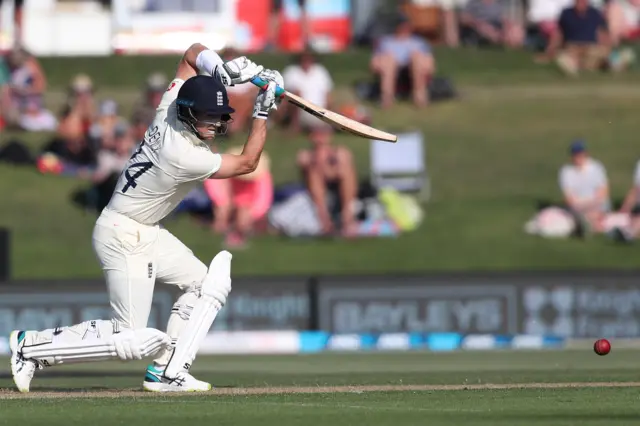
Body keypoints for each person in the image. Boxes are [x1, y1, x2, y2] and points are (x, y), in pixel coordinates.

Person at [9, 42, 282, 393]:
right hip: (123, 234)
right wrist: (262, 113)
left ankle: (168, 371)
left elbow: (190, 54)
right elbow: (247, 163)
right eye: (207, 116)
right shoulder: (182, 155)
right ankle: (30, 346)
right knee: (129, 338)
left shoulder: (168, 108)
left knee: (204, 285)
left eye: (218, 116)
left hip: (145, 229)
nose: (214, 123)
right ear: (188, 113)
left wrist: (220, 70)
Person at [205, 145, 273, 248]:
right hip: (230, 203)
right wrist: (224, 204)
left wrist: (252, 214)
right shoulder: (227, 174)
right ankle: (226, 231)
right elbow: (217, 187)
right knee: (221, 213)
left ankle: (239, 234)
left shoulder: (262, 178)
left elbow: (263, 200)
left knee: (244, 216)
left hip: (249, 206)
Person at [296, 125, 358, 236]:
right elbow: (307, 171)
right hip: (317, 193)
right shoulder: (306, 155)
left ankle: (347, 215)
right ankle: (324, 218)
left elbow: (337, 173)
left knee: (345, 170)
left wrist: (328, 166)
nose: (320, 137)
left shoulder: (339, 152)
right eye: (317, 134)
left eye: (323, 133)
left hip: (338, 188)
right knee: (314, 172)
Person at [370, 15, 435, 108]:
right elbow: (374, 63)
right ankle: (386, 98)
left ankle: (420, 97)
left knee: (416, 57)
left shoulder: (418, 42)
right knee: (389, 59)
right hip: (391, 69)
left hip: (414, 68)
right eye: (402, 26)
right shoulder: (386, 41)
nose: (404, 29)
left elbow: (430, 63)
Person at [537, 0, 612, 75]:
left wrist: (606, 48)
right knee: (562, 56)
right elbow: (559, 33)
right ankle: (579, 66)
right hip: (572, 48)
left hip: (591, 47)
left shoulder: (595, 13)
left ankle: (583, 66)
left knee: (598, 54)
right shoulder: (566, 13)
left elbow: (602, 33)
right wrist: (550, 50)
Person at [558, 140, 610, 234]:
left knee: (595, 214)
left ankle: (586, 225)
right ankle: (587, 225)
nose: (578, 157)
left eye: (580, 154)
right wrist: (580, 205)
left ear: (585, 153)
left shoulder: (596, 168)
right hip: (578, 206)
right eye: (575, 154)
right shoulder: (566, 172)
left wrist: (592, 204)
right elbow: (569, 198)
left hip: (596, 205)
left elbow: (603, 193)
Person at [281, 50, 333, 132]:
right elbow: (285, 94)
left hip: (320, 110)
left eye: (309, 59)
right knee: (296, 95)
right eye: (304, 59)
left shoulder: (320, 71)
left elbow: (328, 95)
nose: (306, 62)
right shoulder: (291, 72)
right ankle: (295, 125)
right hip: (299, 110)